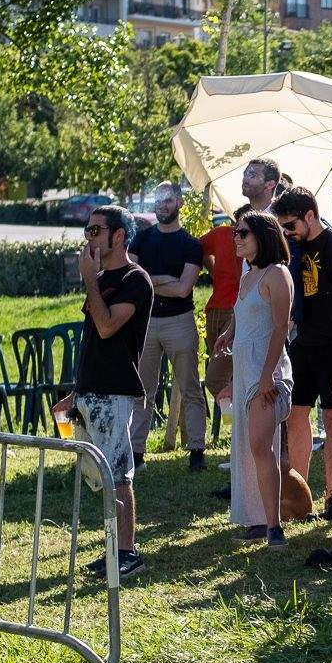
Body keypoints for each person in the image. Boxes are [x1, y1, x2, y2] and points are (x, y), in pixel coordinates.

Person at [56, 206, 152, 578]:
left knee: (118, 474)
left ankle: (128, 552)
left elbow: (109, 325)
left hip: (116, 391)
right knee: (103, 474)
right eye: (87, 230)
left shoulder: (135, 279)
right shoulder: (103, 278)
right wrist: (77, 391)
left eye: (96, 230)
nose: (89, 237)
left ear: (119, 236)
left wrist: (90, 281)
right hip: (93, 389)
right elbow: (93, 338)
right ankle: (114, 549)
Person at [274, 186, 332, 517]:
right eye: (282, 228)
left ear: (310, 215)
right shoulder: (294, 248)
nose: (287, 233)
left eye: (291, 226)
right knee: (296, 415)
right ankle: (301, 495)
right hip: (303, 343)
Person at [219, 211, 294, 547]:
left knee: (262, 447)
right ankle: (257, 518)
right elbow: (244, 312)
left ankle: (274, 526)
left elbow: (281, 326)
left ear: (263, 236)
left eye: (243, 233)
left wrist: (268, 376)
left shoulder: (277, 273)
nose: (236, 238)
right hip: (245, 367)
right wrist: (228, 332)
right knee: (249, 448)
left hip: (269, 371)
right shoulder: (249, 274)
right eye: (236, 232)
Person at [128, 182, 207, 471]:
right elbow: (134, 283)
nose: (162, 204)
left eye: (169, 199)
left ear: (180, 203)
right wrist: (163, 281)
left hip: (180, 322)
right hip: (146, 323)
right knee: (142, 390)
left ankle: (197, 450)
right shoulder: (140, 240)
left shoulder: (191, 244)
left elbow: (184, 289)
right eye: (158, 199)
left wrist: (151, 279)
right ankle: (136, 453)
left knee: (189, 387)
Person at [199, 205, 248, 407]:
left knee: (216, 378)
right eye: (237, 225)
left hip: (239, 311)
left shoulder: (257, 242)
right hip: (215, 309)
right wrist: (213, 270)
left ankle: (241, 418)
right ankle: (236, 426)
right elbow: (198, 249)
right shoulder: (221, 234)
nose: (239, 232)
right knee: (224, 373)